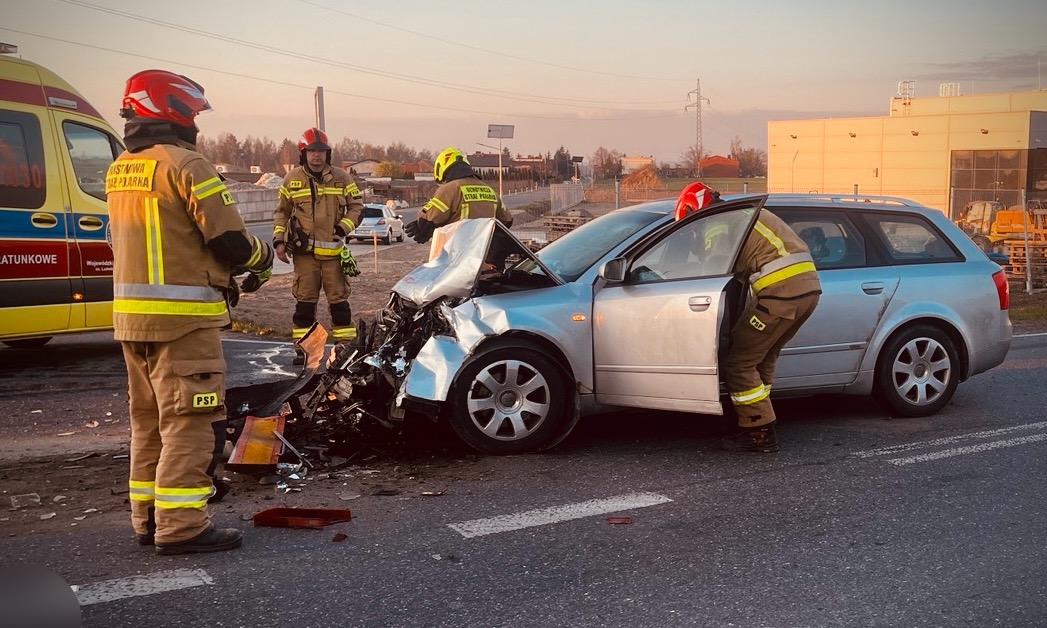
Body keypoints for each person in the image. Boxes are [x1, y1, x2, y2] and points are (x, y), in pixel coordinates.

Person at [105, 69, 274, 555]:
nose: (197, 124)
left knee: (150, 424)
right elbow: (230, 240)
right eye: (194, 113)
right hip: (183, 325)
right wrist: (263, 261)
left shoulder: (122, 168)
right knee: (192, 425)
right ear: (173, 110)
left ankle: (148, 520)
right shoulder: (187, 165)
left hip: (131, 324)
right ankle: (181, 528)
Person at [674, 182, 821, 453]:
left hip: (780, 294)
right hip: (807, 291)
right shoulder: (743, 214)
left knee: (739, 362)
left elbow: (716, 266)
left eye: (693, 222)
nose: (695, 229)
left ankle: (759, 432)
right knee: (761, 358)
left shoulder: (718, 222)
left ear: (697, 209)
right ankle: (755, 420)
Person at [272, 127, 363, 358]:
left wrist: (343, 227)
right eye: (312, 151)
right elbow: (282, 212)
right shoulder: (292, 180)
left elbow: (357, 207)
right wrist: (279, 241)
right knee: (304, 306)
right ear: (303, 153)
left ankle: (344, 350)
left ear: (327, 154)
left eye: (321, 151)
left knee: (339, 305)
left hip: (333, 257)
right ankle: (304, 351)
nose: (317, 156)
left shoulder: (342, 178)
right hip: (305, 258)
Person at [404, 147, 513, 243]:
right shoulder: (489, 190)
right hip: (485, 253)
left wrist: (421, 227)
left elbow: (427, 220)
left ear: (442, 169)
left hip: (457, 254)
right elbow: (507, 220)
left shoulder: (450, 189)